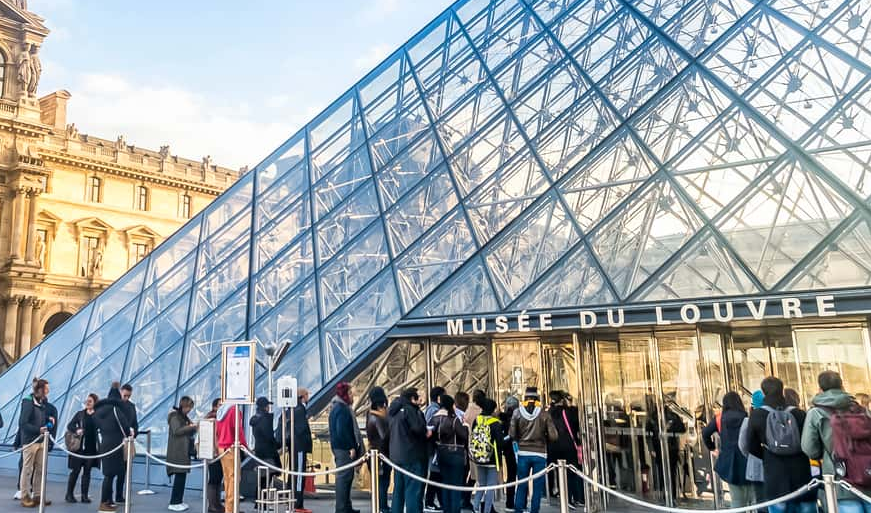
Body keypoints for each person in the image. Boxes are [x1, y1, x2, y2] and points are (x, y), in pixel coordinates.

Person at [802, 370, 871, 513]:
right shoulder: (861, 410)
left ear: (820, 389)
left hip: (840, 478)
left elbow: (809, 449)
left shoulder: (816, 413)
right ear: (842, 385)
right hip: (868, 474)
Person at [746, 377, 815, 513]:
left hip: (774, 474)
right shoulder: (799, 414)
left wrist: (768, 454)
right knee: (806, 507)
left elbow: (751, 446)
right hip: (801, 473)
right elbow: (808, 442)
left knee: (778, 507)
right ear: (782, 391)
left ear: (763, 393)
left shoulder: (757, 415)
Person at [510, 387, 557, 513]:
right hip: (540, 453)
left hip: (523, 453)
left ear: (525, 398)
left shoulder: (517, 413)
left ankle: (518, 509)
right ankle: (534, 510)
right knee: (537, 487)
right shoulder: (544, 414)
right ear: (537, 399)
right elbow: (554, 436)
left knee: (521, 484)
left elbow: (512, 434)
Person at [702, 392, 751, 508]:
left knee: (736, 500)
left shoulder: (719, 419)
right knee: (752, 498)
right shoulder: (746, 417)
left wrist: (712, 448)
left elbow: (705, 433)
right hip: (747, 460)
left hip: (729, 462)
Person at [94, 384, 133, 513]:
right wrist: (129, 433)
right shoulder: (116, 410)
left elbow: (95, 425)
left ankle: (109, 501)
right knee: (110, 475)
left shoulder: (99, 411)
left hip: (104, 444)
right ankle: (103, 503)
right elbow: (125, 428)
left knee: (108, 474)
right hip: (115, 445)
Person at [389, 388, 428, 513]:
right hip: (411, 455)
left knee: (398, 491)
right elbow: (417, 428)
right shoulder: (409, 409)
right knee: (413, 491)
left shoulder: (394, 410)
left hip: (396, 456)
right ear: (412, 398)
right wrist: (426, 431)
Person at [328, 382, 363, 513]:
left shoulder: (337, 407)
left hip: (339, 448)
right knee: (344, 478)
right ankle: (342, 508)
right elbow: (341, 430)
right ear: (345, 394)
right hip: (343, 449)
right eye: (351, 393)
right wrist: (350, 447)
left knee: (347, 477)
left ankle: (346, 506)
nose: (353, 396)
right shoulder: (342, 409)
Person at [18, 378, 52, 508]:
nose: (48, 391)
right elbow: (23, 423)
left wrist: (47, 421)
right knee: (28, 469)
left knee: (40, 469)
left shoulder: (42, 402)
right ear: (40, 389)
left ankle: (38, 495)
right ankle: (25, 496)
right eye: (46, 388)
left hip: (41, 440)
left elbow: (39, 419)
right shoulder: (28, 402)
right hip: (30, 441)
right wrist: (38, 430)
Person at [431, 395, 467, 513]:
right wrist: (465, 426)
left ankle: (446, 509)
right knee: (455, 485)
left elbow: (431, 435)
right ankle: (455, 510)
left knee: (445, 483)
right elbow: (464, 435)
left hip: (441, 453)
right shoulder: (454, 418)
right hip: (455, 454)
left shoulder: (435, 417)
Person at [548, 391, 583, 507]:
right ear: (563, 400)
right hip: (568, 445)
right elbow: (576, 425)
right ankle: (574, 498)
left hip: (553, 447)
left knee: (560, 471)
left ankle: (564, 497)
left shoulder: (549, 413)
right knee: (571, 471)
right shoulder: (569, 412)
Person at [66, 393, 99, 504]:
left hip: (91, 449)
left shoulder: (98, 415)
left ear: (95, 403)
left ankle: (84, 496)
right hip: (79, 449)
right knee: (75, 471)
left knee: (87, 472)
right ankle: (69, 494)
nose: (87, 403)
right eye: (87, 401)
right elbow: (70, 425)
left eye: (90, 401)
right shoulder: (80, 414)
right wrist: (77, 430)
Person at [471, 398, 503, 513]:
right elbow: (500, 443)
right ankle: (487, 510)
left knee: (481, 484)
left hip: (479, 457)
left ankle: (475, 507)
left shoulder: (477, 420)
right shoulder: (496, 423)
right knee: (490, 487)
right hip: (493, 459)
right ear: (493, 410)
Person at [167, 396, 198, 511]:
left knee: (182, 476)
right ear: (183, 405)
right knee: (180, 476)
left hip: (183, 450)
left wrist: (192, 427)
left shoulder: (183, 416)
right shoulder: (175, 416)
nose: (189, 410)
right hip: (178, 450)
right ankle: (174, 502)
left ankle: (178, 500)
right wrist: (190, 427)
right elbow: (177, 431)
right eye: (188, 407)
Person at [216, 401, 247, 513]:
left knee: (227, 479)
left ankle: (230, 508)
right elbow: (238, 430)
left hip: (222, 447)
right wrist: (245, 446)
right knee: (234, 479)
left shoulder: (221, 410)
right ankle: (231, 509)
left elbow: (218, 430)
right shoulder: (234, 409)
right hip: (231, 447)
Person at [738, 391, 765, 510]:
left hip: (755, 466)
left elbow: (742, 445)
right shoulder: (773, 417)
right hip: (775, 466)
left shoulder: (748, 421)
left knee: (760, 500)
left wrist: (750, 456)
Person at [366, 387, 391, 513]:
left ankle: (381, 505)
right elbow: (384, 436)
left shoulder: (370, 415)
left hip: (373, 452)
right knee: (383, 482)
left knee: (380, 482)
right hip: (381, 454)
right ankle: (382, 506)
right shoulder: (378, 417)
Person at [289, 387, 313, 513]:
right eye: (307, 394)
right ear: (303, 396)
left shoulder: (294, 409)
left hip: (296, 446)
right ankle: (298, 503)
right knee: (299, 474)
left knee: (297, 473)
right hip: (299, 447)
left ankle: (296, 501)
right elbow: (301, 429)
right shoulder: (300, 410)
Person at [116, 383, 138, 504]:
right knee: (112, 470)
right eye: (125, 395)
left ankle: (119, 495)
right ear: (120, 392)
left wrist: (134, 433)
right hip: (116, 442)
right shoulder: (114, 406)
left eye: (128, 396)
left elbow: (135, 423)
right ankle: (109, 498)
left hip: (127, 441)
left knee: (123, 470)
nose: (126, 398)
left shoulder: (131, 406)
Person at [424, 386, 445, 513]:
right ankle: (429, 501)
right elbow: (431, 428)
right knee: (435, 475)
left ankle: (436, 501)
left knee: (436, 475)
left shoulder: (431, 408)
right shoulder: (434, 410)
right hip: (434, 448)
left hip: (432, 447)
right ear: (438, 397)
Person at [499, 396, 519, 510]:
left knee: (511, 476)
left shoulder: (502, 419)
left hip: (508, 451)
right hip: (518, 450)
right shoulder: (519, 418)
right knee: (522, 476)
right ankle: (520, 502)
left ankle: (509, 502)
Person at [205, 399, 224, 513]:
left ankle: (216, 504)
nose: (222, 407)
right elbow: (214, 437)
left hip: (218, 452)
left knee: (217, 479)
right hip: (214, 453)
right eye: (220, 405)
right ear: (214, 407)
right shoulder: (212, 418)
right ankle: (212, 505)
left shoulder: (218, 417)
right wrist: (217, 450)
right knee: (214, 479)